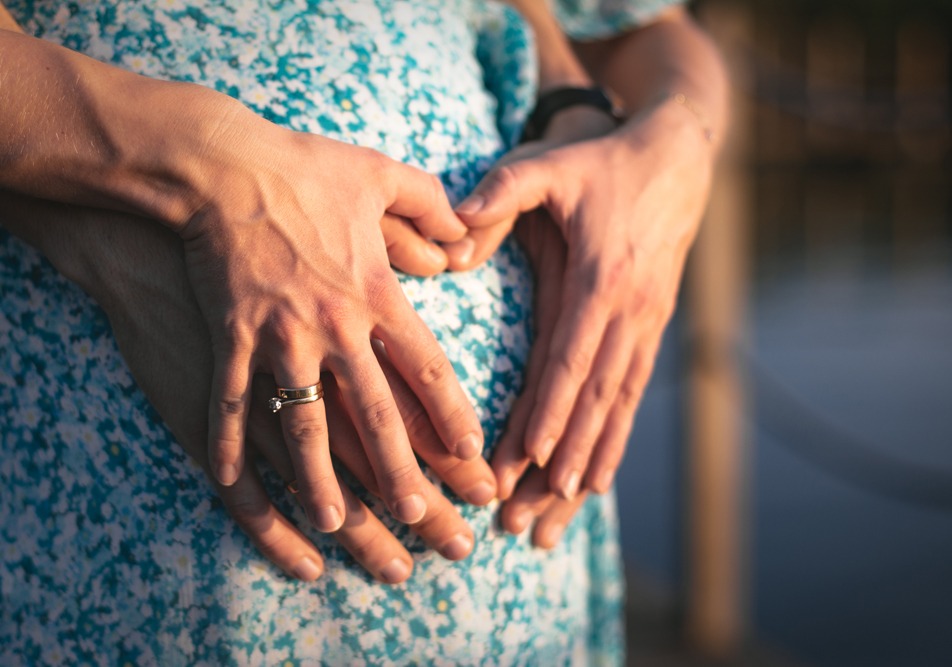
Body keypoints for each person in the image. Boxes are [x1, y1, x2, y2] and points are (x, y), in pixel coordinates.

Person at [0, 0, 726, 663]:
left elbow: (645, 30)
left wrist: (677, 147)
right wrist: (213, 167)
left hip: (520, 573)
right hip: (145, 524)